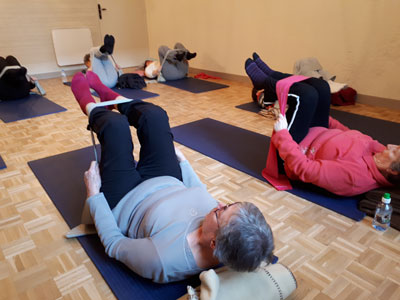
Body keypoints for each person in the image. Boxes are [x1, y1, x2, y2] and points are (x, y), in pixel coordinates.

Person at [70, 70, 274, 283]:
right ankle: (109, 95)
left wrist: (93, 194)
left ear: (213, 244)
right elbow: (199, 192)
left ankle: (88, 104)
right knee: (155, 117)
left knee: (115, 127)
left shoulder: (162, 260)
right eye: (229, 204)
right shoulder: (226, 228)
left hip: (126, 198)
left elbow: (114, 243)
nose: (219, 203)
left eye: (221, 211)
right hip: (167, 179)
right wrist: (184, 164)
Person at [245, 53, 400, 196]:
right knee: (322, 87)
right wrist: (327, 118)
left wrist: (283, 135)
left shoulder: (354, 177)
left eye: (395, 151)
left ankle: (266, 84)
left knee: (307, 95)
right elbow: (348, 134)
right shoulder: (379, 152)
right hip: (318, 130)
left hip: (295, 152)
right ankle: (272, 75)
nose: (391, 145)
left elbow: (305, 169)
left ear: (391, 170)